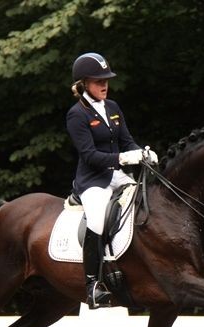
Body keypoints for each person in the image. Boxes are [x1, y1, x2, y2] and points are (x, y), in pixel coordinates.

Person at [66, 52, 157, 309]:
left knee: (142, 201)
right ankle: (93, 285)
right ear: (84, 83)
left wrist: (143, 152)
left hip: (116, 176)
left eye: (106, 80)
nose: (104, 85)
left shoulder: (113, 107)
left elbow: (127, 141)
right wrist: (124, 158)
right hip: (92, 181)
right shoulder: (77, 114)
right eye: (97, 81)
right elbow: (90, 156)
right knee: (96, 219)